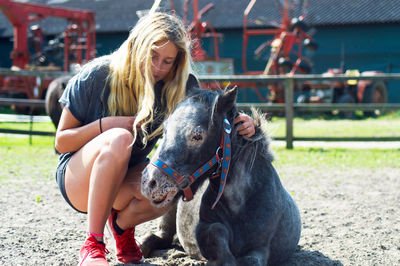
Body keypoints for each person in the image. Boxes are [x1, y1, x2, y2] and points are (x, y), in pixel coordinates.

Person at [55, 11, 255, 266]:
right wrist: (107, 125)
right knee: (119, 138)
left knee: (171, 185)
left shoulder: (172, 89)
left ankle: (121, 228)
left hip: (124, 179)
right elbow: (62, 142)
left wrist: (243, 122)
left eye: (167, 61)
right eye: (153, 57)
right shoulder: (96, 75)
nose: (158, 68)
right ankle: (92, 244)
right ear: (137, 46)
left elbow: (210, 112)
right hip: (79, 179)